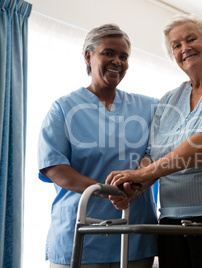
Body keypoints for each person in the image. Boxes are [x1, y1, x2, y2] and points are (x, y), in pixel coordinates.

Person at [106, 14, 202, 268]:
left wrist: (144, 175)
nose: (184, 48)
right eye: (176, 45)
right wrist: (135, 185)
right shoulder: (168, 100)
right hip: (172, 221)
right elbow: (152, 155)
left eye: (191, 39)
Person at [37, 24, 158, 268]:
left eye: (123, 57)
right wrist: (107, 191)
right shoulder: (64, 108)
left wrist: (137, 179)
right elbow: (54, 167)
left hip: (134, 234)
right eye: (108, 53)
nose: (117, 61)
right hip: (80, 232)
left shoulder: (148, 107)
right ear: (88, 56)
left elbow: (155, 153)